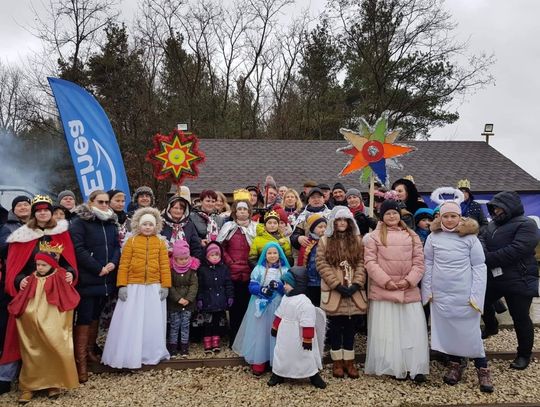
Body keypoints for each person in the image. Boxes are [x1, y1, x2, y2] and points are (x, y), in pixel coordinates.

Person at [1, 195, 77, 392]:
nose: (43, 213)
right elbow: (14, 265)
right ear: (34, 213)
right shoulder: (22, 234)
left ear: (51, 212)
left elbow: (69, 261)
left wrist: (71, 272)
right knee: (31, 337)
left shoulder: (60, 233)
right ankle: (29, 382)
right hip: (32, 293)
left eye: (46, 209)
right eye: (39, 210)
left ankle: (54, 381)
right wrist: (19, 280)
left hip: (55, 292)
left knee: (53, 337)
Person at [421, 197, 493, 392]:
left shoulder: (470, 238)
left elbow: (479, 266)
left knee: (471, 333)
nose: (450, 220)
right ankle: (455, 365)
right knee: (449, 332)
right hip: (442, 295)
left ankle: (482, 368)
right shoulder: (433, 238)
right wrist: (427, 290)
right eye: (446, 216)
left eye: (454, 216)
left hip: (464, 295)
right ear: (440, 217)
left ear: (460, 218)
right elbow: (428, 263)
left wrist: (476, 295)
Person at [363, 200, 429, 383]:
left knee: (411, 328)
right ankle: (393, 364)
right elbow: (370, 262)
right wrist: (387, 281)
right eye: (387, 213)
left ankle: (413, 365)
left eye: (394, 213)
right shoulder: (373, 237)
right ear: (382, 217)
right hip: (385, 289)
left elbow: (419, 261)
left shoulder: (412, 234)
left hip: (408, 289)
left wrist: (410, 280)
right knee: (388, 331)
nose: (392, 216)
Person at [102, 207, 171, 369]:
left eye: (150, 224)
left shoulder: (160, 243)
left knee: (151, 320)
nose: (147, 227)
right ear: (138, 225)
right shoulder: (131, 242)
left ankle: (151, 352)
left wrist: (166, 285)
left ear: (156, 226)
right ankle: (130, 352)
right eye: (144, 224)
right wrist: (122, 285)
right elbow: (124, 265)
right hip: (134, 286)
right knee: (132, 319)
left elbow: (164, 266)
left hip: (154, 286)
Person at [8, 247, 80, 402]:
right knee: (31, 351)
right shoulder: (32, 277)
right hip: (31, 324)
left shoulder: (58, 276)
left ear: (52, 265)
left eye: (43, 265)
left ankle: (54, 383)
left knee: (54, 348)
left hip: (53, 321)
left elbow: (68, 297)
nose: (39, 267)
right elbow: (23, 298)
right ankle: (29, 386)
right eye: (38, 264)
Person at [480, 191, 540, 370]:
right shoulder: (491, 226)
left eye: (499, 207)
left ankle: (523, 355)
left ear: (510, 207)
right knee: (480, 301)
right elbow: (481, 238)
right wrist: (484, 254)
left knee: (520, 318)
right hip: (495, 278)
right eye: (494, 208)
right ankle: (491, 326)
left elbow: (518, 249)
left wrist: (488, 258)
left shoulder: (527, 224)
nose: (496, 211)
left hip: (519, 279)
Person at [69, 190, 120, 382]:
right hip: (89, 277)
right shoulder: (79, 223)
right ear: (90, 203)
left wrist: (113, 264)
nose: (105, 205)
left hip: (106, 277)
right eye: (100, 202)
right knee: (84, 317)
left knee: (95, 315)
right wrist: (97, 268)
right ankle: (79, 360)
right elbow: (78, 248)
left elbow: (116, 246)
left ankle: (90, 351)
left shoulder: (110, 222)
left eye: (107, 202)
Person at [317, 206, 367, 379]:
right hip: (334, 291)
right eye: (339, 220)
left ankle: (349, 361)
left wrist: (357, 283)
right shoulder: (324, 241)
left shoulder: (357, 240)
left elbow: (361, 263)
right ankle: (337, 361)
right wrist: (336, 285)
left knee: (350, 328)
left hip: (353, 289)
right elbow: (322, 265)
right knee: (336, 327)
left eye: (345, 220)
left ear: (350, 222)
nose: (342, 223)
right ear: (333, 222)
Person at [233, 242, 290, 375]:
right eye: (269, 253)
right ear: (264, 255)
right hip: (261, 305)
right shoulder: (258, 269)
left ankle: (275, 360)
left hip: (278, 304)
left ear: (279, 254)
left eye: (275, 253)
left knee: (276, 331)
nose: (272, 255)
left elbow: (289, 288)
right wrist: (262, 289)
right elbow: (251, 287)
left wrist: (280, 287)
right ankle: (259, 360)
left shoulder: (285, 270)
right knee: (260, 331)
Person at [268, 267, 327, 389]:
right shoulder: (286, 298)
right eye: (284, 283)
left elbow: (308, 322)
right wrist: (275, 327)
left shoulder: (304, 302)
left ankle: (312, 375)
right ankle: (278, 373)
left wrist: (307, 338)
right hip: (285, 333)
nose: (284, 286)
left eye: (287, 284)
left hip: (298, 334)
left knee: (304, 354)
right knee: (281, 353)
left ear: (297, 285)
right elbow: (280, 313)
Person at [217, 199, 257, 346]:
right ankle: (234, 338)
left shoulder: (255, 228)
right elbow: (221, 247)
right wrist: (230, 262)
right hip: (232, 272)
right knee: (234, 308)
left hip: (249, 272)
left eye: (245, 209)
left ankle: (246, 339)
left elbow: (258, 248)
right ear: (235, 211)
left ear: (249, 212)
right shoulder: (228, 227)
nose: (242, 212)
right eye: (239, 209)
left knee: (248, 306)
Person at [197, 242, 234, 353]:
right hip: (208, 300)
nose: (214, 257)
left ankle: (216, 341)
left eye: (217, 255)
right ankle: (207, 341)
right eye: (212, 255)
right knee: (208, 322)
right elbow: (200, 286)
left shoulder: (224, 268)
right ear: (207, 256)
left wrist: (230, 296)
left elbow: (228, 283)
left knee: (217, 321)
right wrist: (199, 298)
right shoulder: (203, 270)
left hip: (220, 300)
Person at [167, 240, 199, 357]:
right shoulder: (170, 270)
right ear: (175, 258)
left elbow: (194, 285)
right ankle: (173, 347)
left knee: (185, 325)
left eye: (186, 258)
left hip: (188, 304)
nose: (184, 261)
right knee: (175, 325)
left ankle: (184, 347)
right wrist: (177, 299)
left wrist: (188, 299)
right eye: (181, 259)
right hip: (175, 304)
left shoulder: (192, 270)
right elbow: (170, 286)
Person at [161, 195, 203, 260]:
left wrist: (195, 262)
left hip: (185, 263)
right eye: (175, 208)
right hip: (165, 262)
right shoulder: (161, 224)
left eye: (181, 209)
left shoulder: (189, 225)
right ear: (169, 209)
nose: (178, 211)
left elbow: (195, 246)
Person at [297, 214, 327, 306]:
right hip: (310, 281)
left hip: (324, 280)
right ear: (313, 228)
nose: (323, 229)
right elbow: (302, 260)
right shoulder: (307, 242)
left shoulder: (328, 241)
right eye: (320, 227)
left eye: (325, 227)